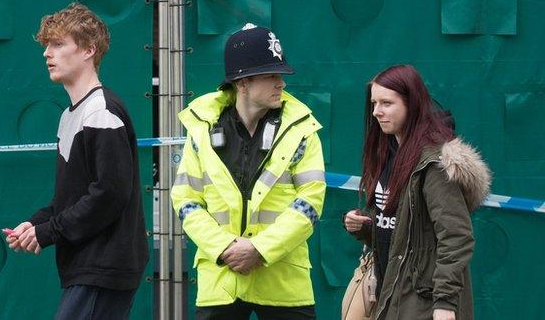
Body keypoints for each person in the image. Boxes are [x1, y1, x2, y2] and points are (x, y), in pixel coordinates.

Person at [4, 3, 148, 320]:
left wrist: (49, 232)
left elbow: (109, 194)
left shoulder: (101, 111)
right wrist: (36, 225)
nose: (47, 54)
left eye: (58, 44)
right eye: (46, 45)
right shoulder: (71, 115)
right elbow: (70, 198)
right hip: (88, 266)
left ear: (88, 50)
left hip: (105, 265)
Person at [172, 23, 326, 320]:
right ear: (242, 83)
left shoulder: (302, 129)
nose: (281, 83)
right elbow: (185, 200)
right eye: (271, 75)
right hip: (222, 278)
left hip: (283, 282)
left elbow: (310, 202)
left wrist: (259, 249)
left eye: (280, 75)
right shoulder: (201, 130)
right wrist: (224, 247)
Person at [343, 65, 490, 320]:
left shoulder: (433, 164)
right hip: (389, 289)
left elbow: (456, 237)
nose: (377, 111)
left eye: (387, 103)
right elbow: (404, 233)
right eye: (374, 103)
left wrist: (444, 303)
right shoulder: (388, 153)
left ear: (411, 103)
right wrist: (367, 228)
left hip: (421, 301)